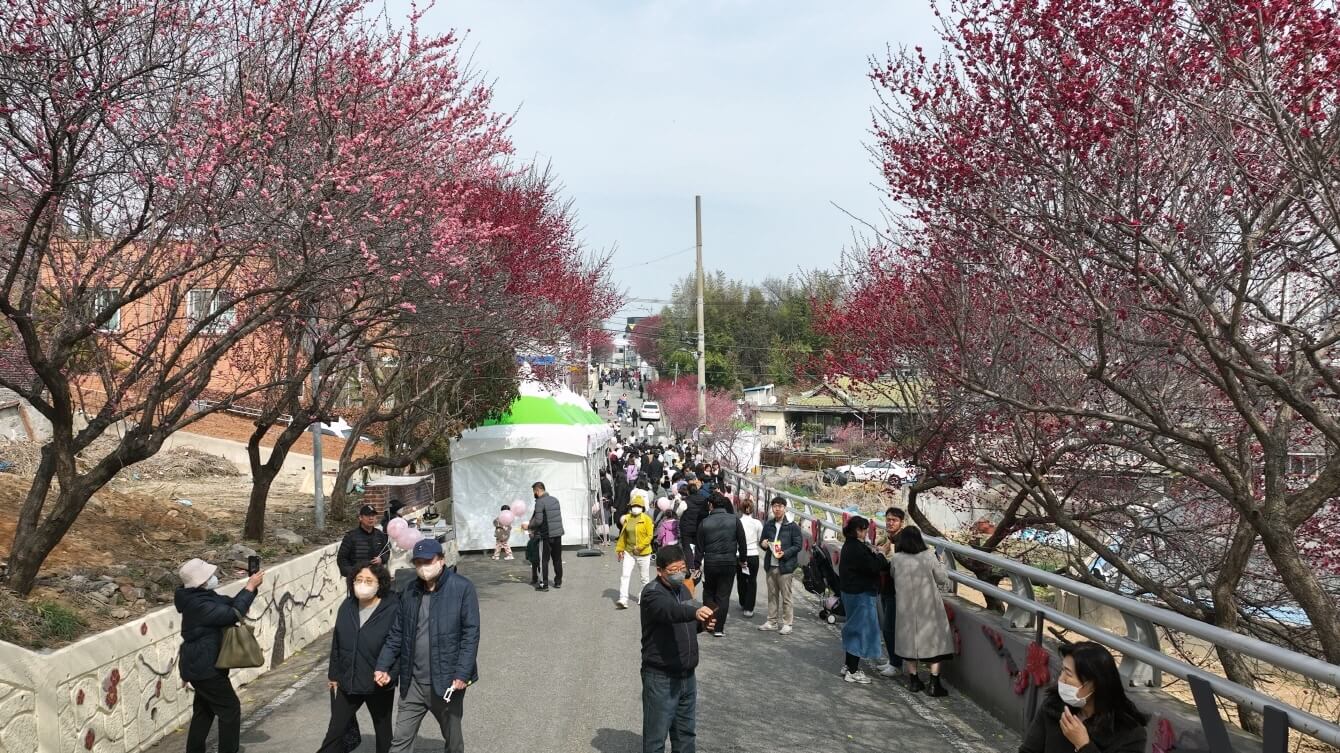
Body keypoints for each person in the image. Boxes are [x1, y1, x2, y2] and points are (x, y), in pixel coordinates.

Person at [374, 539, 480, 753]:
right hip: (412, 682)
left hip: (447, 682)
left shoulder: (462, 588)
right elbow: (397, 633)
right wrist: (382, 665)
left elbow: (471, 634)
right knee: (400, 741)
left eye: (428, 561)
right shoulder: (409, 591)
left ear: (441, 560)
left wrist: (462, 674)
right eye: (418, 562)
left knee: (453, 740)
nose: (423, 566)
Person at [175, 558, 264, 753]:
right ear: (201, 581)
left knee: (204, 711)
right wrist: (249, 587)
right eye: (209, 576)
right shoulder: (199, 604)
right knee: (230, 710)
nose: (214, 578)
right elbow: (232, 614)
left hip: (201, 664)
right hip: (206, 667)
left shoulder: (201, 597)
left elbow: (231, 603)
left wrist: (251, 588)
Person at [640, 544, 716, 753]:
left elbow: (686, 623)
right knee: (656, 739)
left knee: (685, 736)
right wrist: (693, 612)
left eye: (682, 568)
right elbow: (670, 612)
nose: (679, 574)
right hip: (661, 678)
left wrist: (702, 625)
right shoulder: (651, 593)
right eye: (673, 571)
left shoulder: (683, 589)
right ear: (660, 571)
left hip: (687, 675)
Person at [318, 563, 397, 753]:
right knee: (334, 732)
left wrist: (391, 674)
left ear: (381, 583)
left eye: (369, 580)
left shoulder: (392, 608)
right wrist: (334, 675)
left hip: (378, 683)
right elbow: (337, 642)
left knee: (383, 734)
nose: (363, 584)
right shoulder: (347, 606)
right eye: (359, 580)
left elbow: (397, 646)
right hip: (348, 682)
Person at [1019, 642, 1149, 753]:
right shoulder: (1055, 706)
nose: (1061, 679)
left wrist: (1083, 745)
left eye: (1068, 674)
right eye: (1062, 671)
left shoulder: (1129, 732)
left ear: (1093, 684)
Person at [890, 526, 955, 696]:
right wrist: (940, 560)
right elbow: (941, 579)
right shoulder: (928, 555)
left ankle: (914, 680)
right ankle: (934, 683)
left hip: (905, 607)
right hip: (928, 607)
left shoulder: (896, 558)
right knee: (935, 642)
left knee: (909, 643)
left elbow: (892, 575)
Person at [838, 516, 888, 684]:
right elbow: (874, 567)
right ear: (858, 530)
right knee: (859, 630)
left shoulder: (850, 545)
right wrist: (881, 554)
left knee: (853, 628)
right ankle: (853, 670)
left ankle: (848, 665)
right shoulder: (857, 549)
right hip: (860, 593)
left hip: (850, 592)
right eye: (865, 529)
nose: (866, 532)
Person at [694, 492, 747, 637]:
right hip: (729, 562)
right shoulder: (734, 520)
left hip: (711, 562)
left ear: (710, 505)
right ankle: (718, 628)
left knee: (709, 593)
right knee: (723, 596)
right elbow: (742, 542)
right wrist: (743, 559)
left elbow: (699, 548)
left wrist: (696, 565)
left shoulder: (704, 522)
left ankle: (708, 623)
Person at [757, 497, 803, 634]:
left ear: (785, 508)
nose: (777, 509)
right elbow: (762, 541)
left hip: (785, 566)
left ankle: (788, 623)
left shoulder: (792, 526)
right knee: (772, 595)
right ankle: (771, 621)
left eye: (780, 506)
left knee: (786, 596)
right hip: (770, 565)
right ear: (772, 508)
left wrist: (785, 553)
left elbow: (798, 545)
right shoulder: (769, 525)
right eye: (775, 506)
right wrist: (763, 545)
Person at [875, 506, 906, 677]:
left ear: (902, 522)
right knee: (887, 627)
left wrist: (882, 555)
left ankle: (896, 664)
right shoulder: (887, 538)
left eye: (894, 520)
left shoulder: (902, 541)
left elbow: (899, 566)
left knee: (889, 628)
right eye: (888, 519)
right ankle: (892, 660)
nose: (890, 523)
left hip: (896, 590)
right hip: (885, 586)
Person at [616, 499, 655, 608]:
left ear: (642, 507)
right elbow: (623, 536)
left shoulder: (647, 519)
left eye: (638, 505)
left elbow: (649, 536)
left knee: (644, 578)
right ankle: (623, 599)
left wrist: (640, 547)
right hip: (629, 552)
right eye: (634, 505)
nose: (635, 507)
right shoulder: (627, 519)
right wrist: (619, 549)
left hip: (644, 554)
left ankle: (643, 596)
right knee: (625, 575)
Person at [528, 481, 565, 591]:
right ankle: (558, 581)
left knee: (543, 560)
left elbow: (538, 521)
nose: (534, 494)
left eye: (534, 492)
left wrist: (528, 526)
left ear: (537, 490)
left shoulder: (540, 502)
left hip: (545, 535)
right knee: (557, 559)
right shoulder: (555, 500)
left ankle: (544, 584)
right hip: (558, 534)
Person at [339, 504, 389, 580]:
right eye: (368, 515)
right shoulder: (351, 537)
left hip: (377, 577)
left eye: (373, 515)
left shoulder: (380, 535)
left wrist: (381, 559)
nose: (371, 518)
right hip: (357, 579)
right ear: (360, 518)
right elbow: (342, 559)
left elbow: (387, 552)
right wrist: (354, 573)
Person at [735, 499, 763, 618]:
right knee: (752, 581)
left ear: (741, 508)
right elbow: (760, 539)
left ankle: (742, 602)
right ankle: (749, 608)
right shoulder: (757, 523)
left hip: (739, 554)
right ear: (752, 509)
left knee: (741, 580)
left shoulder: (737, 522)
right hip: (753, 554)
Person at [677, 473, 709, 569]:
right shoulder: (704, 500)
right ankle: (698, 564)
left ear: (688, 492)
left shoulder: (685, 501)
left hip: (687, 528)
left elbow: (678, 513)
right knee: (698, 546)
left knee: (687, 547)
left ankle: (691, 566)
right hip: (700, 526)